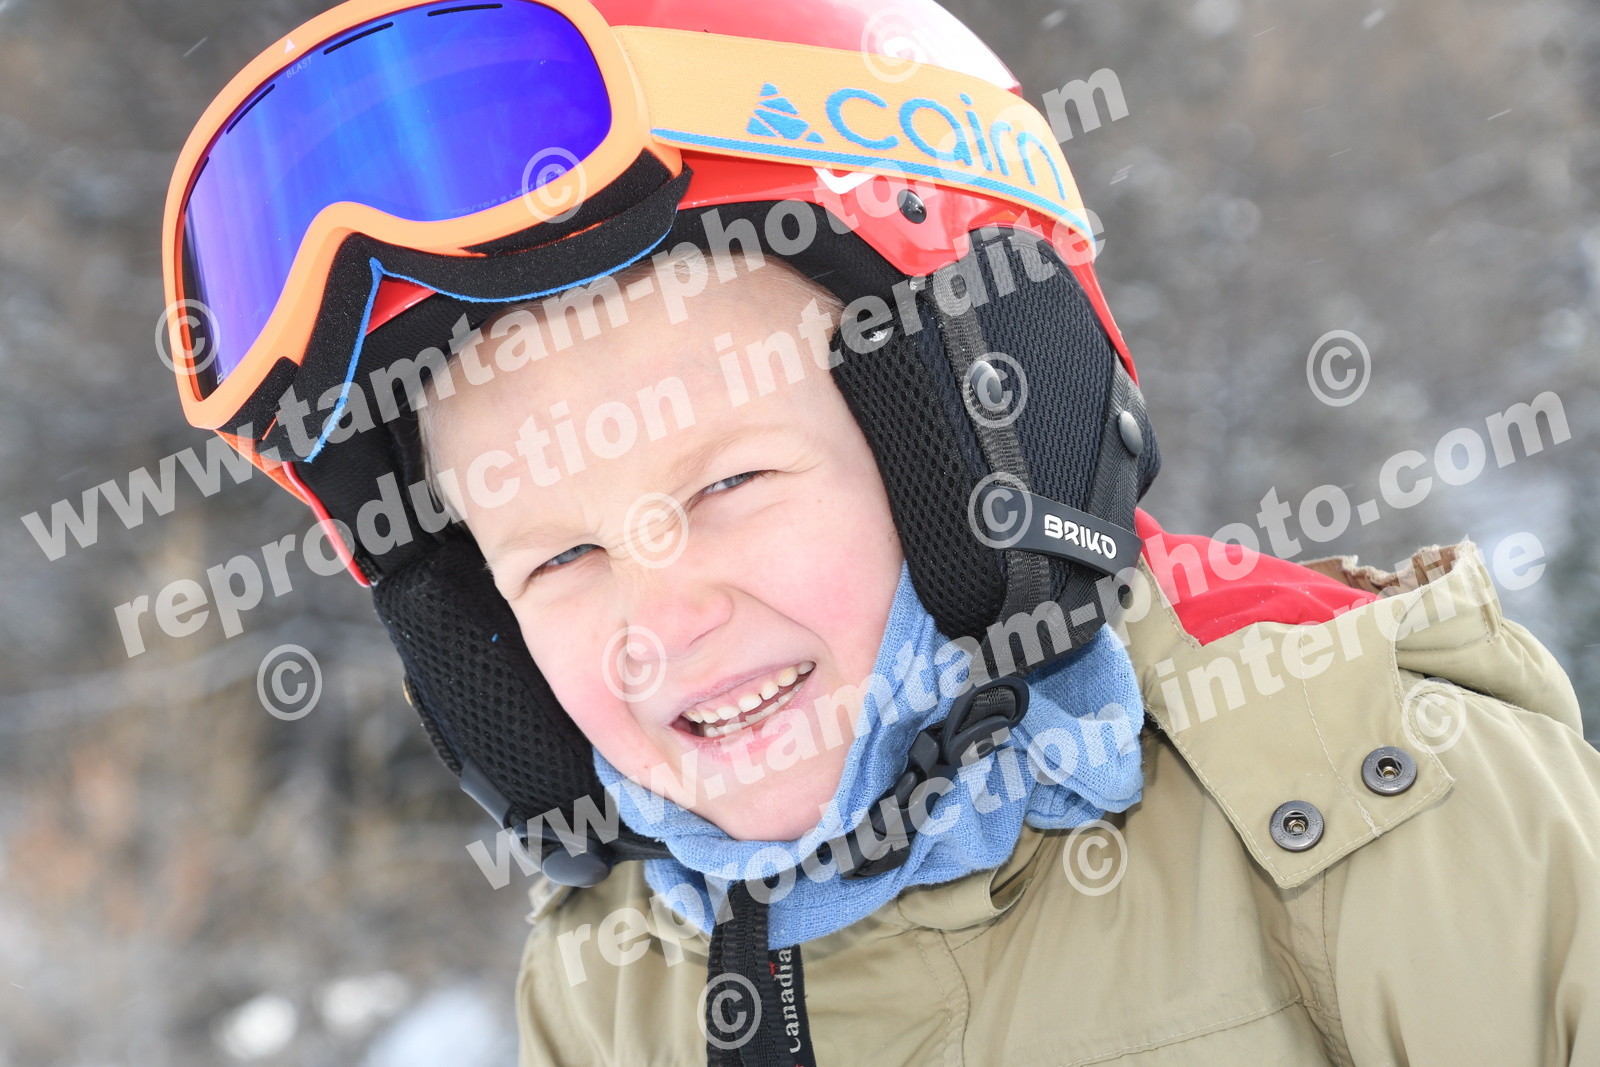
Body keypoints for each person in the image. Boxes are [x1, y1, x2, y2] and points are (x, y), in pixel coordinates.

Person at [159, 0, 1600, 1064]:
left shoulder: (1385, 819)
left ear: (981, 427)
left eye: (730, 485)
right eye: (560, 558)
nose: (661, 618)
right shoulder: (615, 989)